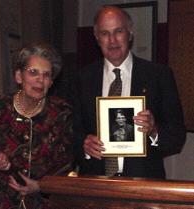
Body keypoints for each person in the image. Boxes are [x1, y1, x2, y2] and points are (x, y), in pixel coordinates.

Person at [72, 6, 186, 178]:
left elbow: (177, 137)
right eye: (104, 33)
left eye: (118, 31)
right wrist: (83, 144)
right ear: (97, 38)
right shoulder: (82, 79)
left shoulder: (158, 75)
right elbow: (70, 132)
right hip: (96, 185)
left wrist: (154, 130)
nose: (112, 41)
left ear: (130, 33)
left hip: (143, 185)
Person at [0, 42, 75, 209]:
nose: (40, 80)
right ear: (18, 76)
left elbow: (69, 164)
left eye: (47, 75)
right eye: (33, 72)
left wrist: (40, 186)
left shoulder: (61, 112)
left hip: (44, 203)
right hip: (1, 201)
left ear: (51, 82)